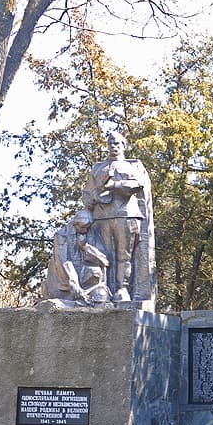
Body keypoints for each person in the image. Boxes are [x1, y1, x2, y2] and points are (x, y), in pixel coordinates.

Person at [82, 131, 153, 303]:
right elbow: (87, 194)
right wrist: (94, 196)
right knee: (104, 257)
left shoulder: (132, 166)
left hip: (126, 215)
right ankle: (103, 290)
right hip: (101, 218)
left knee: (124, 255)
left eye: (117, 143)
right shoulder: (98, 168)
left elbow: (137, 185)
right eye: (111, 144)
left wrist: (114, 185)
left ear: (124, 146)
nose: (114, 147)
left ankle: (123, 289)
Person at [42, 209, 112, 306]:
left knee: (95, 275)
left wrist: (85, 247)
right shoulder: (61, 235)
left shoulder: (91, 233)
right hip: (67, 279)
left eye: (87, 227)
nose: (85, 230)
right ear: (75, 224)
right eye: (83, 227)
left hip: (89, 282)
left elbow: (105, 260)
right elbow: (64, 262)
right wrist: (74, 284)